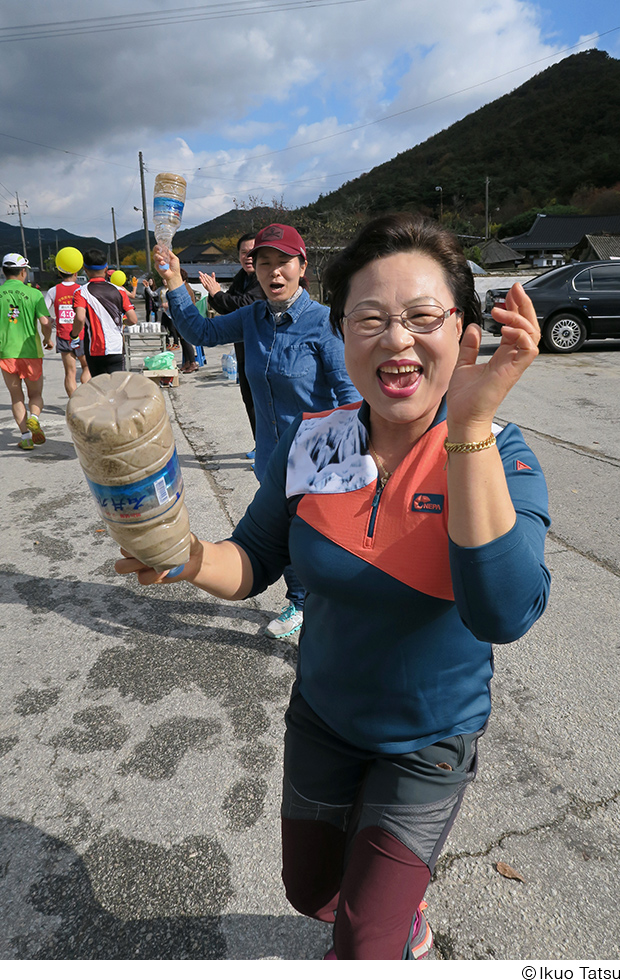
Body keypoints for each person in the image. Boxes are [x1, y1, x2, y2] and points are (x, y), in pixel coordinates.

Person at [117, 214, 550, 959]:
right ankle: (392, 910)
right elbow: (252, 559)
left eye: (422, 318)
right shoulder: (313, 440)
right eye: (371, 319)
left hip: (427, 741)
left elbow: (503, 612)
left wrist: (471, 423)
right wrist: (185, 556)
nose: (398, 340)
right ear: (342, 330)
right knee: (310, 894)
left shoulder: (498, 455)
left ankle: (394, 925)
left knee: (361, 944)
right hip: (322, 717)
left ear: (463, 330)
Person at [154, 222, 360, 639]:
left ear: (303, 266)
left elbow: (351, 399)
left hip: (319, 461)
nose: (274, 272)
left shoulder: (325, 324)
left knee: (319, 543)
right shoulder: (252, 316)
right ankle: (299, 602)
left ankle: (332, 614)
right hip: (270, 456)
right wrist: (175, 280)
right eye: (263, 263)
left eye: (283, 262)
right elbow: (202, 333)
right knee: (284, 538)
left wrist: (350, 464)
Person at [199, 232, 265, 444]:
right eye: (244, 253)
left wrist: (218, 294)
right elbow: (228, 309)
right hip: (244, 349)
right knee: (249, 400)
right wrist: (214, 294)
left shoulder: (265, 278)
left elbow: (245, 304)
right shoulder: (241, 278)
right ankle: (259, 446)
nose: (248, 257)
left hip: (263, 350)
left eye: (253, 252)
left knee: (264, 402)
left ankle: (269, 449)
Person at [0, 253, 53, 450]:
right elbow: (46, 322)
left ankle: (25, 438)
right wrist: (48, 339)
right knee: (35, 394)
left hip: (6, 353)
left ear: (4, 272)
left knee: (16, 397)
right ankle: (35, 417)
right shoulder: (34, 294)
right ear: (23, 272)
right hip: (31, 352)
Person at [70, 249, 137, 376]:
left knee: (100, 389)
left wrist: (74, 335)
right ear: (106, 269)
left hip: (94, 349)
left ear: (85, 269)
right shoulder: (120, 291)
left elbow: (79, 318)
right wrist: (121, 321)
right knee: (117, 388)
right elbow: (133, 319)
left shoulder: (81, 292)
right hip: (116, 347)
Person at [45, 265, 90, 397]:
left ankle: (73, 403)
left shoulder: (53, 291)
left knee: (70, 372)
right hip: (82, 335)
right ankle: (85, 396)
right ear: (76, 273)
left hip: (63, 335)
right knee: (86, 367)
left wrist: (51, 319)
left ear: (60, 273)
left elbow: (42, 311)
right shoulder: (82, 290)